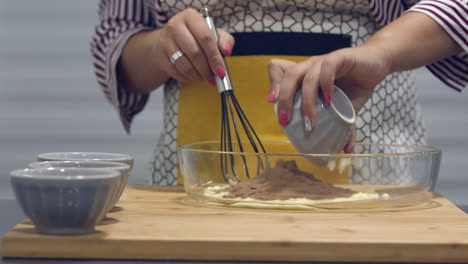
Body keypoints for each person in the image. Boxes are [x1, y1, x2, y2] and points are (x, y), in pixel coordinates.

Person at [91, 0, 467, 185]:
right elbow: (117, 39)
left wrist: (378, 53)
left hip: (369, 173)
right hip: (199, 185)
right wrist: (162, 49)